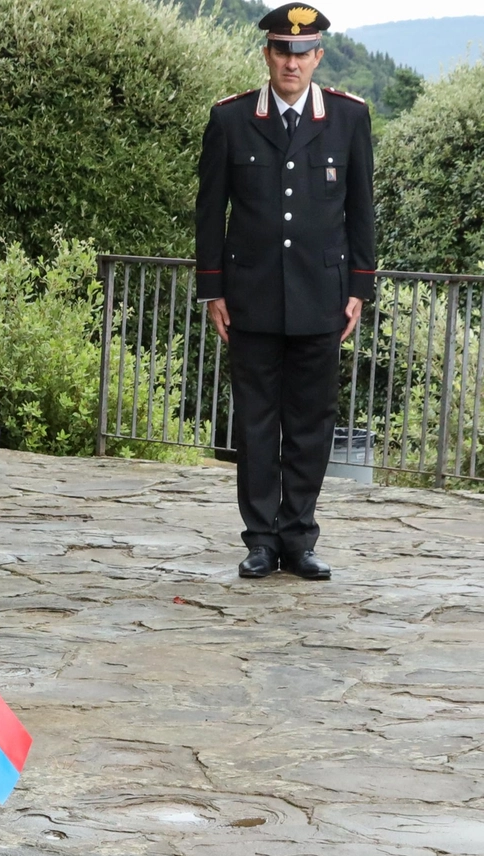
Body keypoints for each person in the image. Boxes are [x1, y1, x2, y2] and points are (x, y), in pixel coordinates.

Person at [195, 2, 375, 581]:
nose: (290, 62)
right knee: (254, 422)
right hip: (250, 297)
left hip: (322, 295)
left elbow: (360, 210)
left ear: (318, 55)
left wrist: (358, 288)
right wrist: (212, 290)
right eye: (281, 50)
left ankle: (298, 537)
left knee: (310, 422)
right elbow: (210, 212)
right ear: (267, 54)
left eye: (302, 53)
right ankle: (261, 540)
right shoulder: (231, 119)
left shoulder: (349, 118)